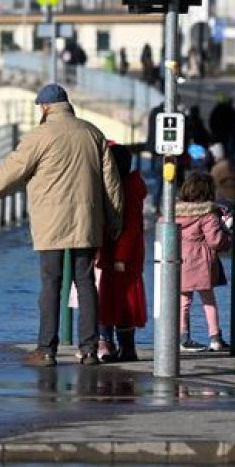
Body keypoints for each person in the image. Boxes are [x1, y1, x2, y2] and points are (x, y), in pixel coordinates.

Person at [0, 83, 123, 367]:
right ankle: (89, 349)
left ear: (45, 107)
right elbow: (112, 184)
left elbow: (9, 171)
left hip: (51, 223)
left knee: (51, 284)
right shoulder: (92, 133)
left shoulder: (39, 136)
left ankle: (46, 350)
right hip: (87, 220)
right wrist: (114, 221)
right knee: (85, 284)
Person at [96, 143, 147, 363]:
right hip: (123, 256)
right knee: (122, 303)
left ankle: (126, 350)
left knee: (121, 303)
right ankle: (125, 348)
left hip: (120, 258)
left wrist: (119, 257)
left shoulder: (124, 190)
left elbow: (129, 227)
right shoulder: (132, 186)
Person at [173, 172, 231, 352]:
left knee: (183, 301)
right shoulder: (208, 215)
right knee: (208, 300)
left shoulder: (175, 212)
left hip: (180, 261)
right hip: (201, 262)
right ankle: (215, 338)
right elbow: (215, 241)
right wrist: (227, 233)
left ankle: (183, 337)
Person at [208, 93, 235, 163]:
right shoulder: (229, 110)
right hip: (228, 134)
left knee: (220, 150)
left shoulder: (216, 111)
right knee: (228, 150)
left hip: (219, 134)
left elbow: (211, 122)